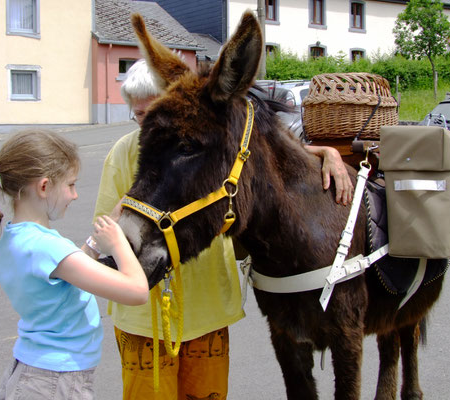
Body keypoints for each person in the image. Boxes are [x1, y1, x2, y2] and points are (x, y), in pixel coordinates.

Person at [82, 59, 354, 400]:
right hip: (144, 318)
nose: (148, 123)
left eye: (155, 112)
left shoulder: (205, 142)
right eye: (138, 115)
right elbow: (105, 231)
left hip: (206, 311)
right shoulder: (123, 153)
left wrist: (324, 151)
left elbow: (261, 154)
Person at [0, 129, 149, 400]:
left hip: (35, 372)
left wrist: (99, 238)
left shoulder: (20, 237)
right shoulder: (45, 248)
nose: (75, 195)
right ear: (44, 186)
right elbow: (137, 291)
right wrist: (118, 243)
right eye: (71, 185)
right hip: (55, 382)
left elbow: (68, 271)